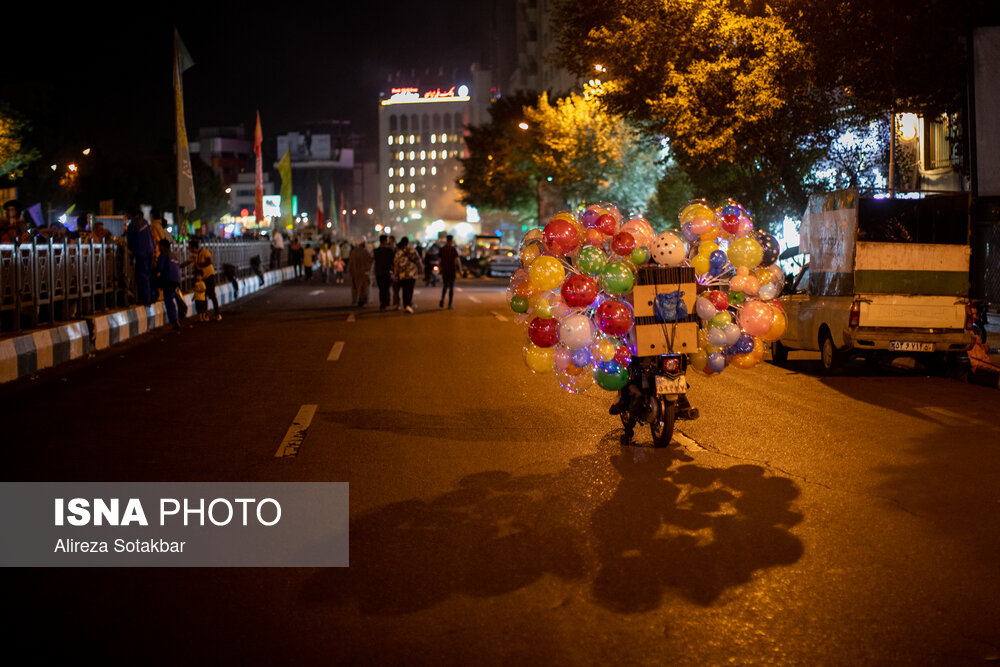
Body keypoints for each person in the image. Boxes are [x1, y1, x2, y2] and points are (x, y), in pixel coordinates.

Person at [184, 237, 220, 320]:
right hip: (202, 278)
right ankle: (205, 315)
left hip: (209, 275)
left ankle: (217, 313)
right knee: (204, 296)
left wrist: (200, 266)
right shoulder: (194, 256)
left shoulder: (204, 252)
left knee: (212, 295)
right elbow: (186, 263)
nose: (189, 249)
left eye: (189, 247)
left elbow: (209, 261)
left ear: (193, 247)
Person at [154, 239, 186, 330]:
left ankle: (174, 320)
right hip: (176, 280)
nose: (158, 248)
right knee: (173, 296)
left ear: (163, 246)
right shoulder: (173, 255)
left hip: (168, 279)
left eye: (159, 246)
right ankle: (179, 314)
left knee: (168, 300)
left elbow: (160, 268)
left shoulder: (163, 255)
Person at [125, 209, 156, 305]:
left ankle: (145, 299)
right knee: (149, 274)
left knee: (142, 276)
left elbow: (130, 240)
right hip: (149, 251)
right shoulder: (145, 222)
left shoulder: (133, 224)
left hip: (141, 252)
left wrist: (131, 251)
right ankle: (151, 297)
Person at [393, 236, 422, 313]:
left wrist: (396, 275)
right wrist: (421, 270)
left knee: (405, 290)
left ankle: (406, 305)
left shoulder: (398, 253)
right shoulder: (413, 251)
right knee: (410, 290)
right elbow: (419, 261)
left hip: (402, 275)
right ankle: (408, 305)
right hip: (411, 274)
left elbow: (396, 264)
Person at [347, 238, 373, 307]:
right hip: (363, 273)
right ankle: (362, 301)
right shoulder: (365, 252)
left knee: (355, 287)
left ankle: (355, 301)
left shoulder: (353, 252)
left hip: (355, 273)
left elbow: (350, 263)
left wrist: (350, 271)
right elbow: (368, 262)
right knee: (363, 288)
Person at [372, 234, 395, 311]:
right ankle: (386, 302)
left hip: (379, 272)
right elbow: (393, 261)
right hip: (387, 272)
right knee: (386, 287)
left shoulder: (376, 251)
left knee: (381, 289)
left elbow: (372, 260)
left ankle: (383, 304)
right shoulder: (390, 250)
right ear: (385, 241)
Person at [438, 235, 461, 309]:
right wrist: (460, 270)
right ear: (452, 241)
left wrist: (440, 268)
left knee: (445, 286)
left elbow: (439, 261)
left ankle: (442, 299)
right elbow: (457, 260)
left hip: (445, 270)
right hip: (452, 270)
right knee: (451, 287)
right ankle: (450, 304)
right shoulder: (453, 249)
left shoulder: (442, 249)